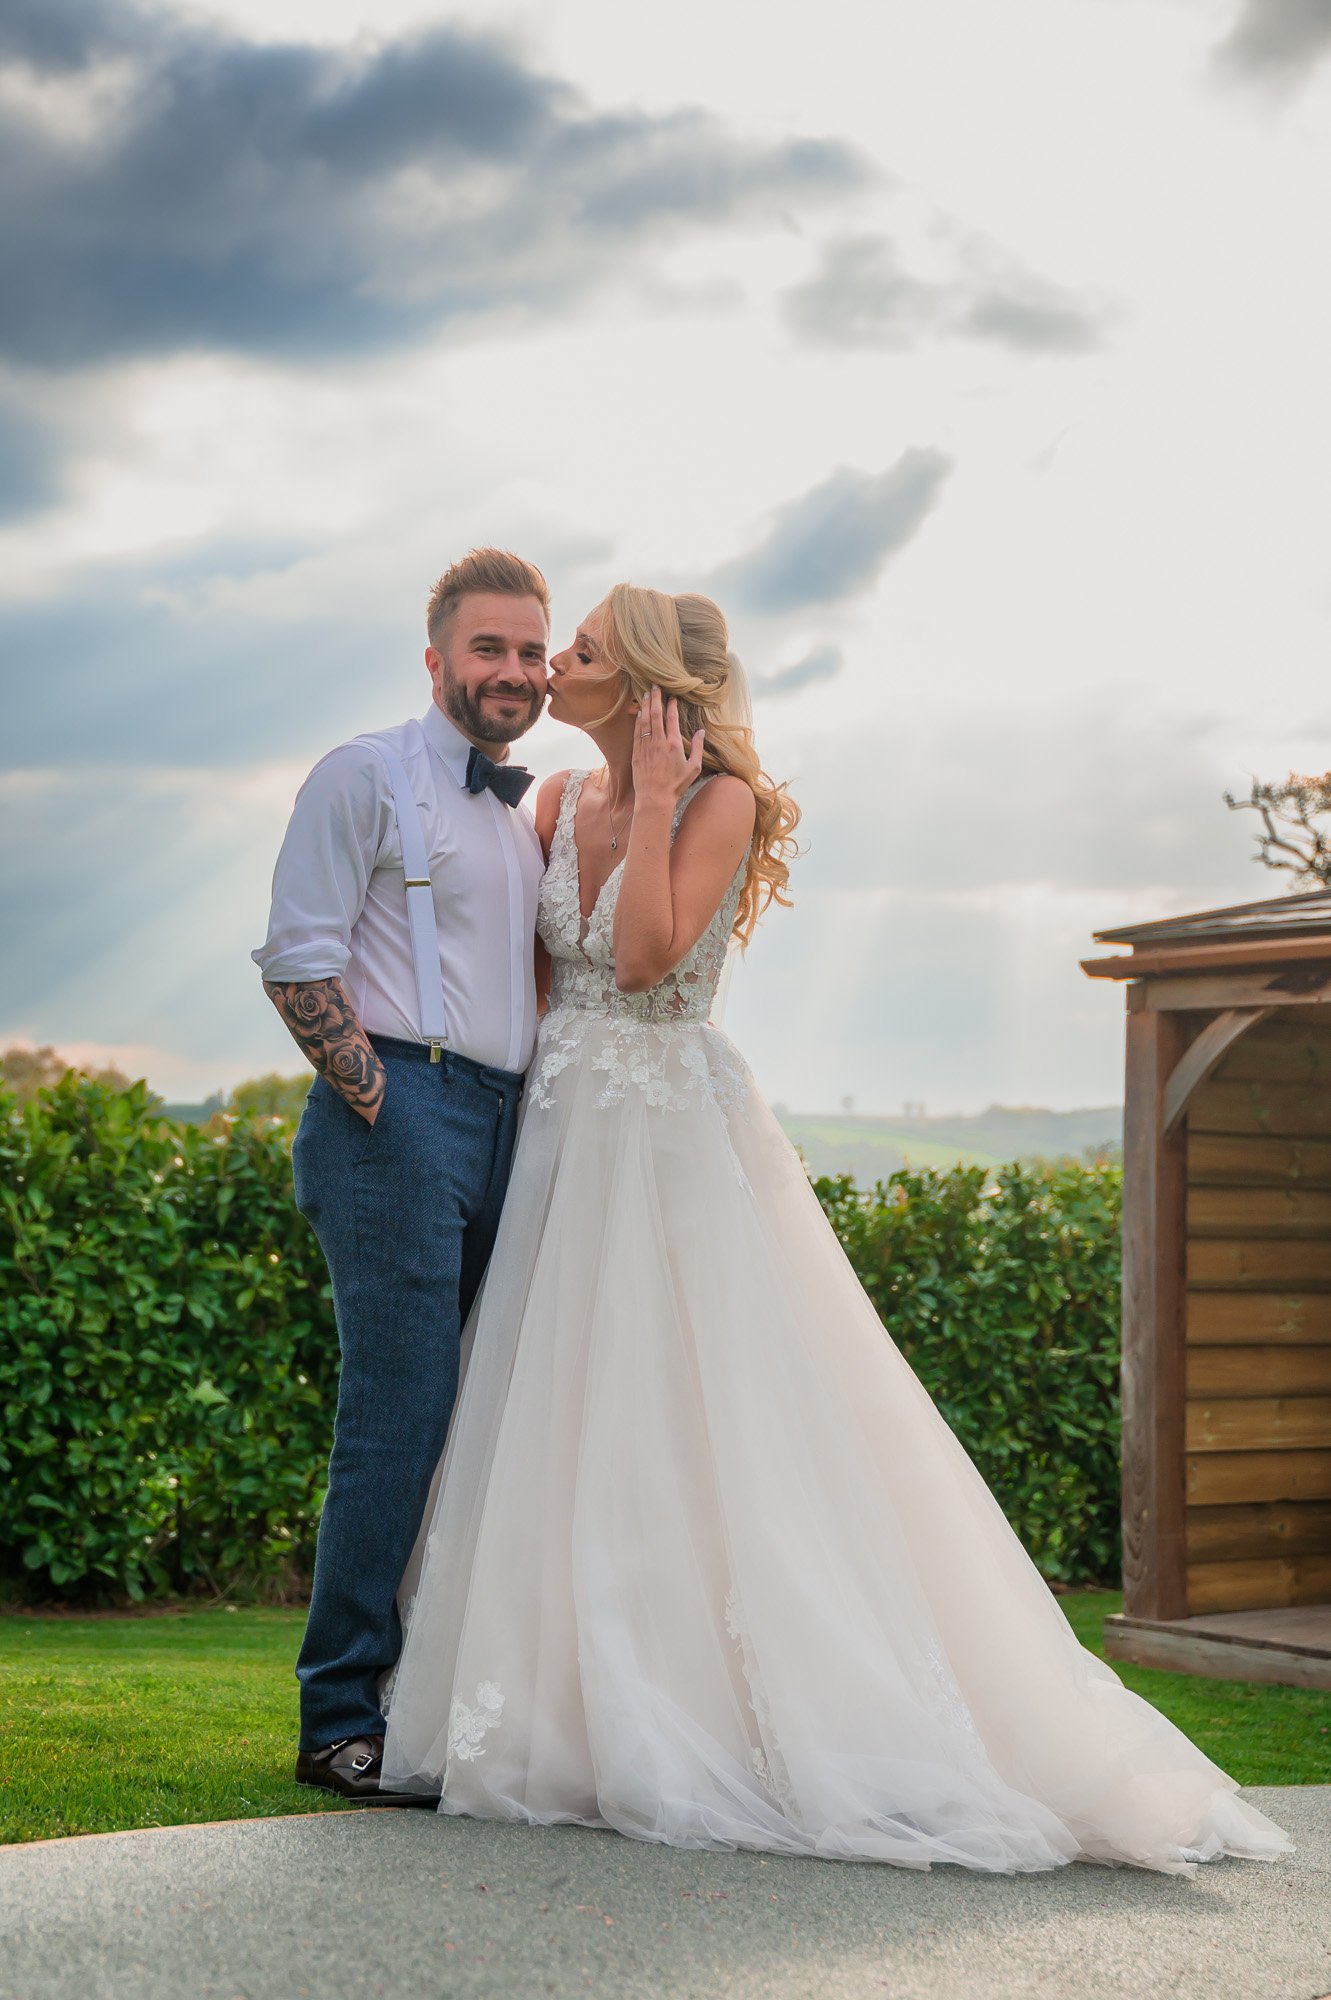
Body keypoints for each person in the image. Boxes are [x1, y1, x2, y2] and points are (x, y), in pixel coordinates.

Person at [380, 582, 1291, 1873]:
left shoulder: (717, 801)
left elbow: (640, 961)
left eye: (577, 649)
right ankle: (568, 1711)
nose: (552, 666)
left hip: (666, 1136)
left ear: (638, 682)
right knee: (562, 1419)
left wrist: (649, 799)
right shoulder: (541, 801)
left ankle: (751, 1718)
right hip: (562, 1134)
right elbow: (539, 991)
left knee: (698, 1421)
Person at [252, 548, 550, 1803]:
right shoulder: (363, 773)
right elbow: (296, 957)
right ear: (435, 658)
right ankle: (339, 1717)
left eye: (532, 652)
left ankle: (430, 1701)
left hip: (508, 1119)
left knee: (487, 1420)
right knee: (401, 1415)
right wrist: (383, 1104)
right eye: (490, 649)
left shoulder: (512, 812)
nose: (516, 674)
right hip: (401, 1113)